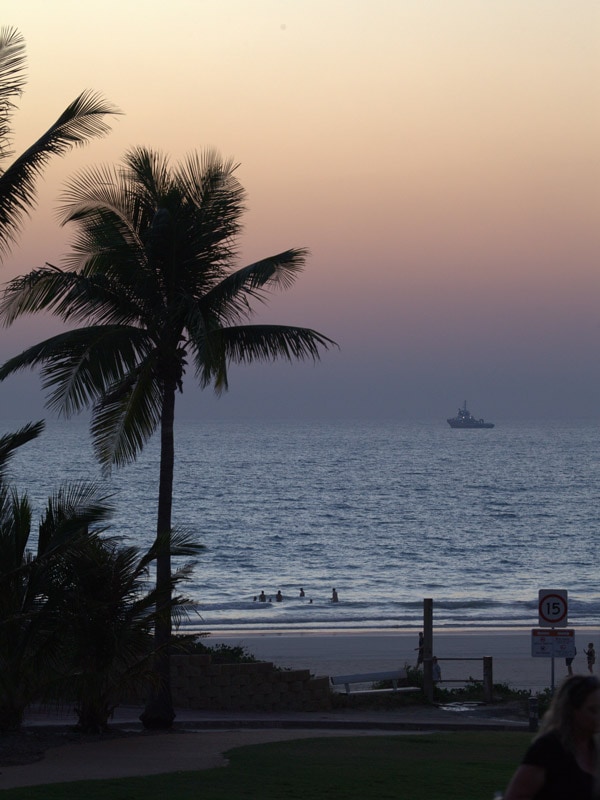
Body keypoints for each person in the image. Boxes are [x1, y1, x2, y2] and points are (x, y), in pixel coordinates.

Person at [503, 674, 600, 800]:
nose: (599, 716)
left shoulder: (593, 749)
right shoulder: (548, 749)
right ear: (571, 710)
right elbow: (516, 795)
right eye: (592, 710)